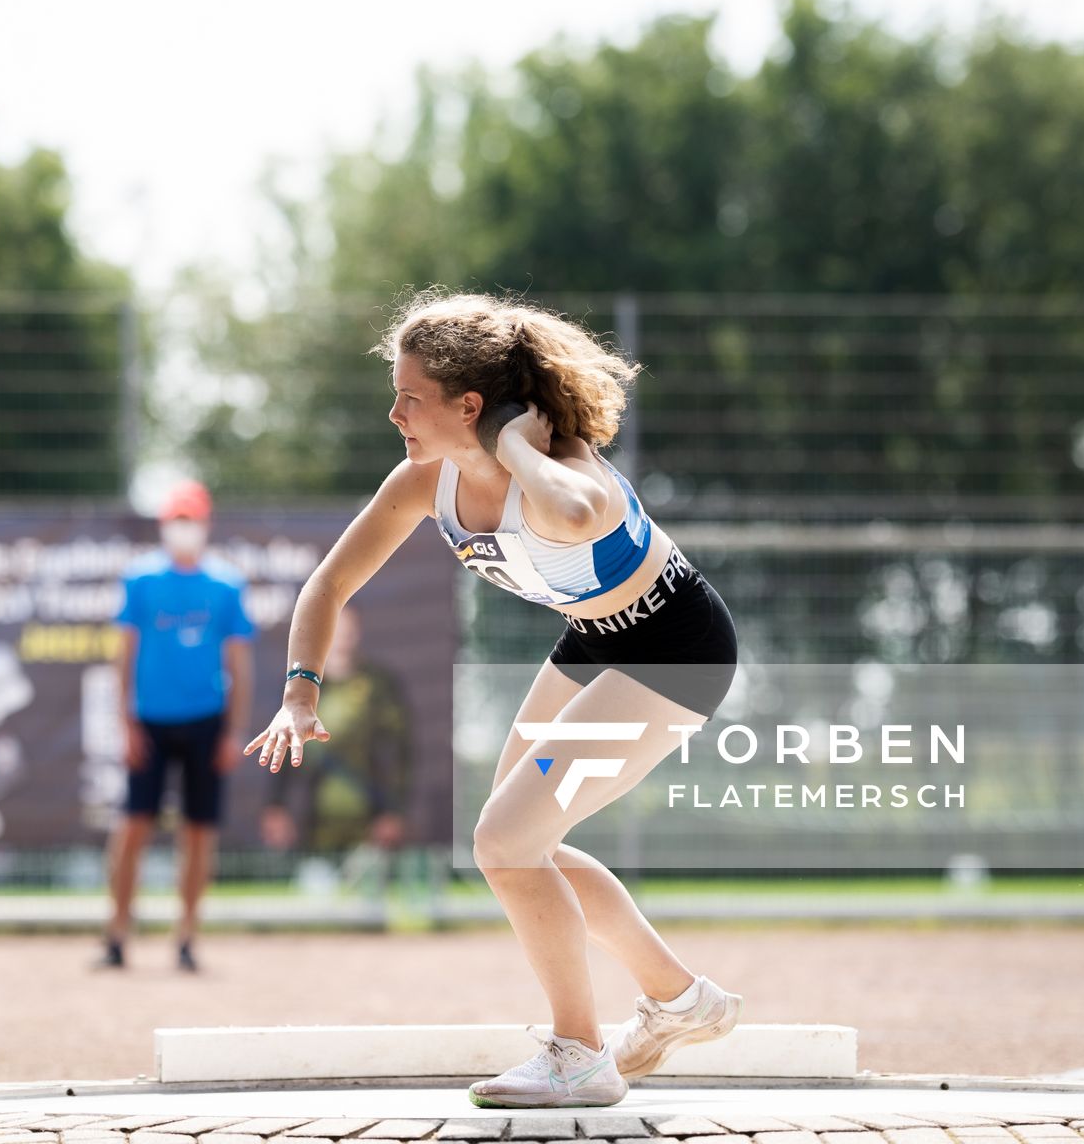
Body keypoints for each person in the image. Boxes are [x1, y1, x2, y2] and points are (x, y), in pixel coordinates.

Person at [245, 289, 742, 1109]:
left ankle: (580, 1056)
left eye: (410, 397)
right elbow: (329, 584)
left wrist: (514, 445)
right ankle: (682, 1000)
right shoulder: (424, 480)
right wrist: (300, 694)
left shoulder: (565, 468)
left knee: (505, 843)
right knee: (521, 845)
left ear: (469, 406)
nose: (394, 413)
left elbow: (577, 511)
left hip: (674, 651)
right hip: (596, 639)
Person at [99, 479, 255, 972]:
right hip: (150, 721)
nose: (183, 528)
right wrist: (126, 723)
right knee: (132, 827)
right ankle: (117, 934)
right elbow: (123, 655)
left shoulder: (227, 584)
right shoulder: (140, 580)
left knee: (199, 832)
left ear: (205, 525)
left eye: (191, 520)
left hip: (206, 720)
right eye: (176, 520)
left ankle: (186, 936)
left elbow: (239, 664)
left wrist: (233, 731)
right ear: (164, 525)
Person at [258, 603, 411, 856]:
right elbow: (282, 748)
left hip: (370, 820)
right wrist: (276, 806)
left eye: (347, 628)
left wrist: (393, 811)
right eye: (334, 627)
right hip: (313, 821)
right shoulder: (299, 690)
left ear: (357, 631)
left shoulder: (378, 686)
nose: (341, 635)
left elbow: (398, 752)